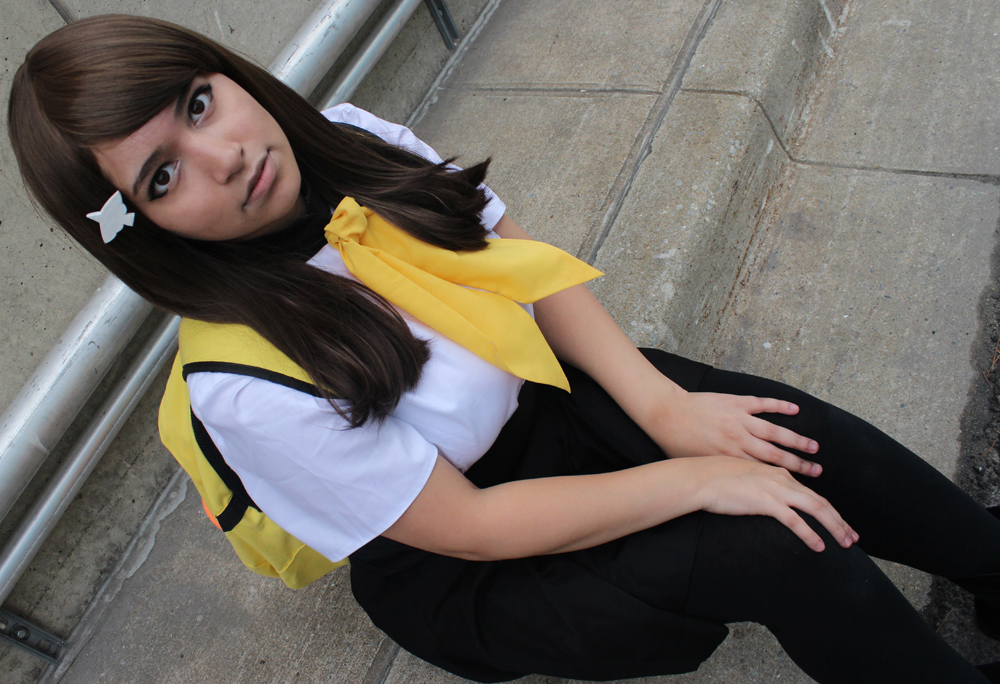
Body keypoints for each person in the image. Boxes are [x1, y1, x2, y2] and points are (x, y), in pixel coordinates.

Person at [8, 13, 1000, 684]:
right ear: (138, 230)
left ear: (224, 72)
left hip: (546, 397)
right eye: (163, 177)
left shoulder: (344, 139)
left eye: (197, 103)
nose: (225, 156)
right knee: (774, 538)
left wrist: (663, 408)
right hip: (473, 555)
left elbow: (520, 267)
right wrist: (696, 479)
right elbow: (472, 527)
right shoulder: (239, 381)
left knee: (793, 439)